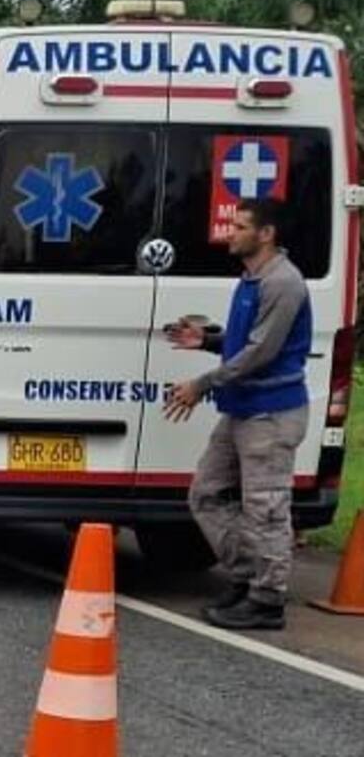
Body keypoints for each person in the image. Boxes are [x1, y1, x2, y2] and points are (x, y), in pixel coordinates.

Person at [165, 197, 311, 631]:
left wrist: (201, 384)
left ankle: (267, 599)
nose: (231, 232)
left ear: (266, 234)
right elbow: (248, 341)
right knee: (206, 493)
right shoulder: (251, 280)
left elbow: (261, 353)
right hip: (243, 410)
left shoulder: (283, 283)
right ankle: (247, 577)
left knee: (265, 508)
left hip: (271, 414)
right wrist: (210, 340)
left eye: (241, 226)